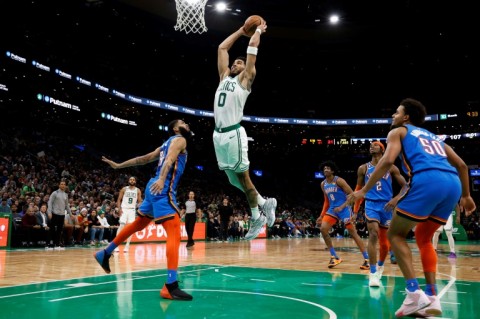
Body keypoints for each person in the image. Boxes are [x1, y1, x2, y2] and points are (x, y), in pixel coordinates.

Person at [347, 98, 476, 317]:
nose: (393, 116)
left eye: (396, 112)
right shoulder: (434, 137)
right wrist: (466, 195)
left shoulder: (398, 132)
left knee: (396, 235)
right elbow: (462, 165)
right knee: (424, 239)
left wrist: (363, 190)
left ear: (406, 117)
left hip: (427, 180)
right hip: (453, 184)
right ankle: (433, 298)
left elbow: (387, 161)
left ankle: (414, 294)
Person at [94, 119, 193, 301]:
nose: (187, 124)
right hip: (161, 188)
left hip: (151, 186)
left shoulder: (164, 144)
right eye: (183, 122)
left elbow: (143, 159)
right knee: (174, 232)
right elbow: (170, 159)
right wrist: (162, 179)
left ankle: (105, 252)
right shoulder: (179, 140)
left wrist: (118, 165)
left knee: (139, 223)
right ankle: (170, 285)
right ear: (175, 128)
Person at [212, 19, 276, 240]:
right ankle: (264, 202)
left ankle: (257, 214)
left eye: (239, 63)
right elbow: (222, 48)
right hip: (218, 135)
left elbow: (252, 51)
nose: (235, 64)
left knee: (244, 178)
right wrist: (241, 30)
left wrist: (257, 30)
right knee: (232, 180)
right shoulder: (223, 78)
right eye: (234, 63)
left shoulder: (245, 80)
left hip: (233, 133)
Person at [353, 141, 408, 287]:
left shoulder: (391, 167)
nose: (372, 146)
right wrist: (355, 211)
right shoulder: (363, 168)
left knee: (385, 244)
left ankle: (380, 267)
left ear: (382, 150)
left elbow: (406, 186)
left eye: (375, 145)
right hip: (371, 204)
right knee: (373, 233)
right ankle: (372, 272)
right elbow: (358, 190)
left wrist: (396, 199)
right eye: (370, 145)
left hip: (386, 206)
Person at [317, 161, 370, 269]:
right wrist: (322, 215)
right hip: (333, 209)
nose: (326, 170)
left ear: (332, 170)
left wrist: (342, 206)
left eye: (328, 168)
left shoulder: (339, 181)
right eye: (324, 168)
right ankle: (334, 256)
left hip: (344, 208)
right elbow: (326, 201)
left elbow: (352, 195)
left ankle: (367, 259)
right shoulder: (323, 184)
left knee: (353, 234)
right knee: (323, 229)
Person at [114, 176, 142, 253]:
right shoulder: (124, 189)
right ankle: (116, 245)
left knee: (130, 228)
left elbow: (139, 201)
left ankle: (127, 246)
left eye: (133, 180)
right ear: (128, 181)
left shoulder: (138, 190)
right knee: (122, 225)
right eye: (130, 179)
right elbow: (119, 200)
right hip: (124, 209)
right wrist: (119, 209)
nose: (132, 181)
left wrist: (140, 206)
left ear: (135, 181)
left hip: (132, 210)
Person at [47, 179, 71, 249]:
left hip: (62, 214)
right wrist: (49, 212)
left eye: (64, 184)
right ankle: (49, 244)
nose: (63, 185)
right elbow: (50, 202)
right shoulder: (55, 193)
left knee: (60, 230)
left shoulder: (66, 195)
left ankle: (57, 244)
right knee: (52, 229)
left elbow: (67, 205)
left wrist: (70, 214)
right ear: (59, 185)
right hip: (54, 213)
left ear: (65, 186)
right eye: (62, 184)